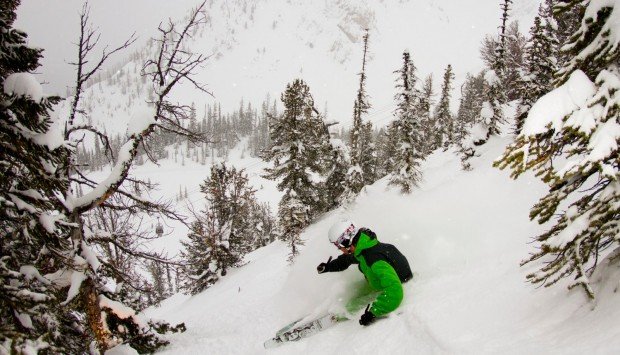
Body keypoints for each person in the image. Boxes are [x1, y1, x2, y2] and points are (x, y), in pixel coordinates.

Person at [317, 220, 413, 326]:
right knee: (355, 293)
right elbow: (346, 260)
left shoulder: (374, 259)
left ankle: (339, 318)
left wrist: (374, 312)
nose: (340, 249)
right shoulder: (364, 249)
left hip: (393, 288)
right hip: (380, 282)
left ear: (347, 241)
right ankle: (342, 313)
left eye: (339, 246)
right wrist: (328, 267)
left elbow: (395, 290)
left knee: (352, 307)